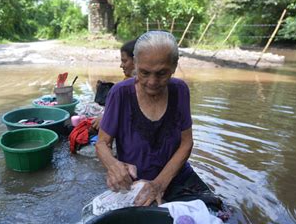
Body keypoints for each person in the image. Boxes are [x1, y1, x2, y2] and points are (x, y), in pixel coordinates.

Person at [95, 31, 222, 209]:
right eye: (144, 73)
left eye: (162, 73)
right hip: (135, 182)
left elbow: (186, 143)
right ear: (135, 65)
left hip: (177, 177)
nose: (152, 82)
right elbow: (102, 143)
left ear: (174, 67)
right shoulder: (120, 93)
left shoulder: (180, 90)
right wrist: (114, 166)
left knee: (215, 212)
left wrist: (159, 184)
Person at [91, 38, 138, 131]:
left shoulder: (139, 85)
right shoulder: (127, 81)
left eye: (124, 61)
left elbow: (131, 113)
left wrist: (107, 118)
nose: (121, 65)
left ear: (136, 61)